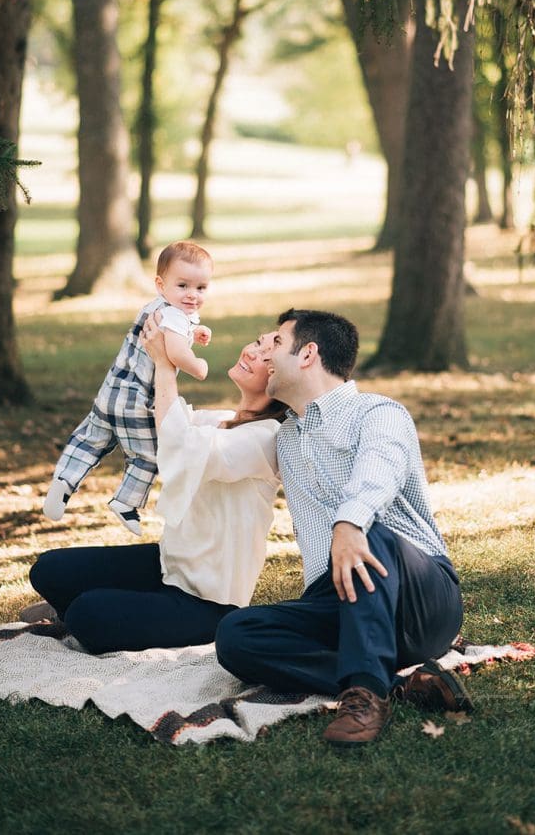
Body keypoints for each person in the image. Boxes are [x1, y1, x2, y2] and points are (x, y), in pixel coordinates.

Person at [215, 308, 471, 747]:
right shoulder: (287, 437)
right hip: (337, 600)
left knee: (367, 533)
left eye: (275, 343)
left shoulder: (377, 412)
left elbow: (380, 470)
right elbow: (220, 437)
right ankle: (398, 683)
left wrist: (349, 523)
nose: (265, 354)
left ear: (309, 353)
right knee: (236, 636)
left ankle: (366, 697)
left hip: (418, 595)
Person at [27, 318, 286, 653]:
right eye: (257, 341)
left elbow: (178, 443)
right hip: (167, 567)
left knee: (86, 615)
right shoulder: (219, 420)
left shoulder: (265, 439)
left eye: (268, 352)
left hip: (209, 604)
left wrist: (166, 366)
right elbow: (158, 420)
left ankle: (96, 611)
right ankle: (119, 608)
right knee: (49, 570)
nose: (253, 351)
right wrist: (170, 342)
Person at [43, 240, 214, 536]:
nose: (192, 295)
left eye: (200, 288)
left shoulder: (157, 307)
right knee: (148, 454)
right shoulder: (173, 315)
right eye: (183, 285)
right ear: (161, 284)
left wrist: (195, 331)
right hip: (136, 399)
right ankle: (125, 501)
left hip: (110, 392)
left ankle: (64, 480)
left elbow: (173, 331)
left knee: (92, 439)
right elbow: (174, 350)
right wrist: (197, 365)